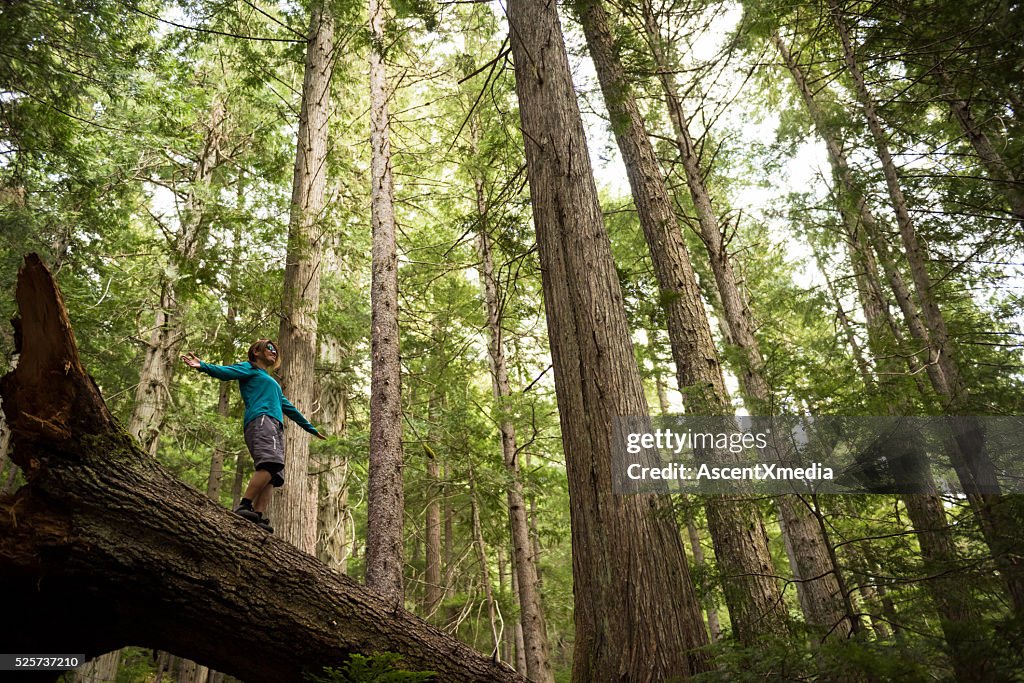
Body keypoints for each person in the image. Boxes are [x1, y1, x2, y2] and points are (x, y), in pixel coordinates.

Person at [182, 338, 326, 533]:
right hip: (261, 420)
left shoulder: (272, 383)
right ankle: (244, 505)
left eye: (275, 350)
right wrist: (203, 366)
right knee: (269, 463)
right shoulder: (249, 368)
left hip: (275, 426)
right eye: (268, 348)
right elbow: (226, 372)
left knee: (274, 474)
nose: (273, 351)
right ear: (256, 352)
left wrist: (309, 428)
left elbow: (289, 408)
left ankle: (256, 516)